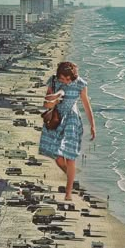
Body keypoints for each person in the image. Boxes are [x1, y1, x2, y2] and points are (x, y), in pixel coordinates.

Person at [39, 61, 96, 201]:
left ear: (72, 77)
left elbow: (86, 105)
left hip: (72, 120)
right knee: (58, 158)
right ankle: (72, 176)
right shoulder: (53, 81)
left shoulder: (80, 84)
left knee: (70, 158)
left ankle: (68, 193)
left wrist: (93, 125)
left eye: (67, 79)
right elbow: (46, 103)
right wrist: (54, 100)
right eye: (61, 79)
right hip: (56, 119)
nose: (64, 81)